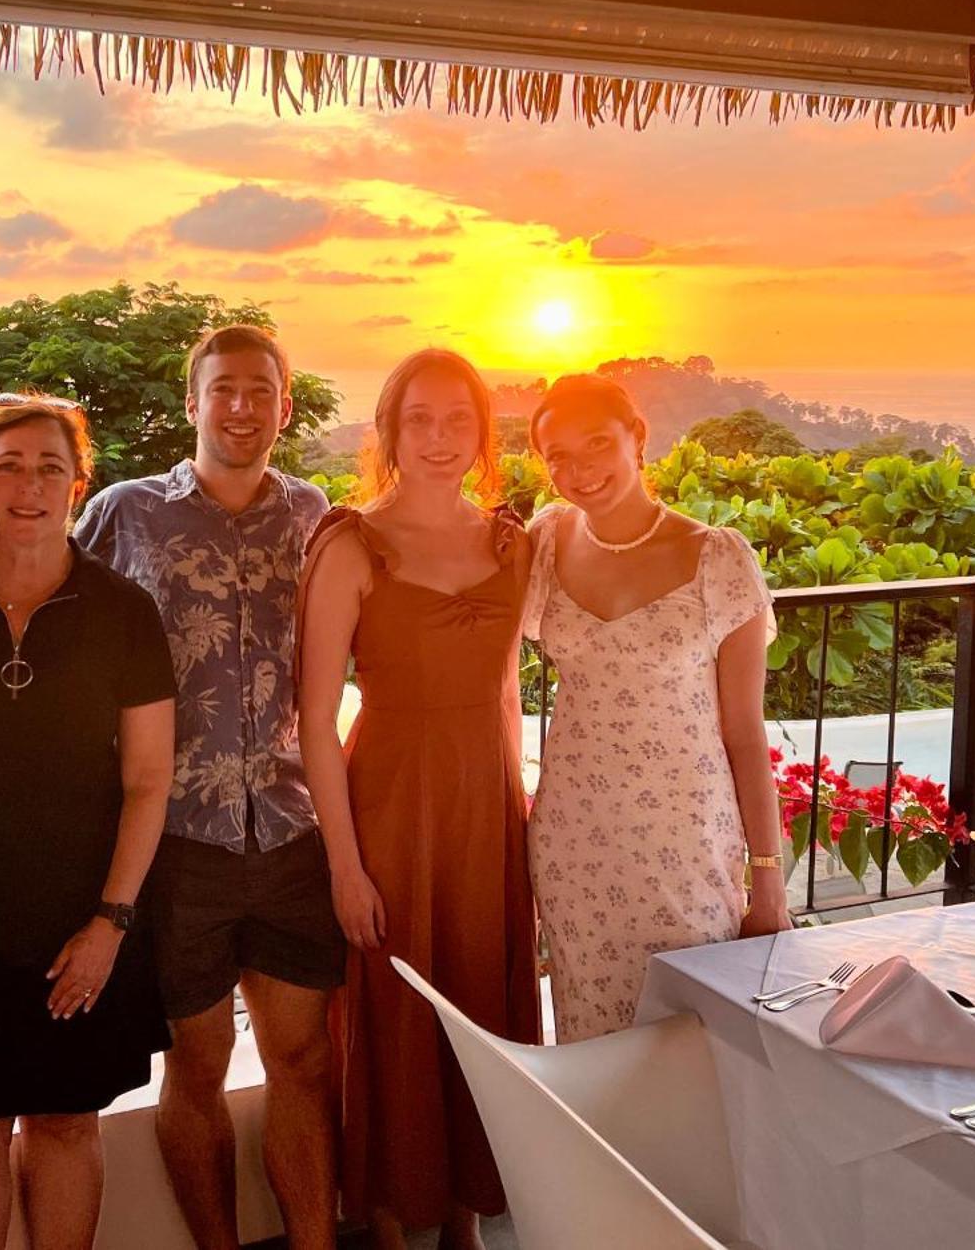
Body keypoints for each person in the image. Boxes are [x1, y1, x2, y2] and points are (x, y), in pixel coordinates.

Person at [73, 325, 340, 1250]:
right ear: (192, 403)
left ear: (284, 407)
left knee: (303, 1063)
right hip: (175, 839)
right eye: (222, 389)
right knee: (196, 1067)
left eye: (259, 391)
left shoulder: (319, 516)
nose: (240, 407)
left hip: (294, 830)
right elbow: (68, 640)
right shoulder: (125, 514)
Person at [0, 394, 176, 1250]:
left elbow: (147, 780)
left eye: (50, 468)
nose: (29, 486)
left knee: (67, 1124)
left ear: (79, 483)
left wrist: (110, 924)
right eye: (9, 466)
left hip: (80, 919)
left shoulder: (124, 610)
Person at [296, 348, 539, 1250]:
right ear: (390, 430)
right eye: (419, 420)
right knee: (397, 1008)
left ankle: (467, 1219)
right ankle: (395, 1225)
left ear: (483, 431)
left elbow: (510, 691)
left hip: (484, 802)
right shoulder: (352, 541)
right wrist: (345, 866)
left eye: (458, 420)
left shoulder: (510, 540)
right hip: (391, 799)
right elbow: (315, 720)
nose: (438, 439)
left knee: (479, 998)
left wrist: (516, 823)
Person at [523, 373, 789, 1044]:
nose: (579, 470)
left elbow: (744, 735)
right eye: (558, 456)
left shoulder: (716, 559)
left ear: (637, 439)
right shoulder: (546, 543)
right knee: (592, 1045)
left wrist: (768, 881)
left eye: (596, 444)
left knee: (695, 1042)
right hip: (574, 844)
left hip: (684, 844)